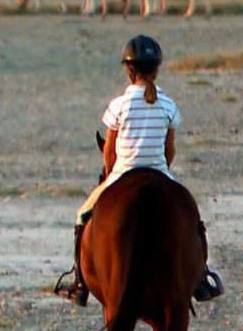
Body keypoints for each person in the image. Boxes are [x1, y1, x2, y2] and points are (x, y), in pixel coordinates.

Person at [55, 34, 223, 305]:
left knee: (82, 216)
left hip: (122, 173)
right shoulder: (168, 104)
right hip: (159, 172)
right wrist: (161, 168)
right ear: (157, 69)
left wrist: (110, 173)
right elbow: (169, 151)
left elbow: (109, 152)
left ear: (128, 70)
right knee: (193, 217)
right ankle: (201, 276)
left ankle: (80, 281)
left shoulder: (119, 105)